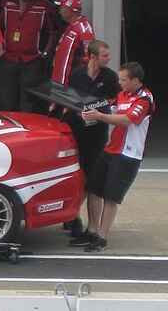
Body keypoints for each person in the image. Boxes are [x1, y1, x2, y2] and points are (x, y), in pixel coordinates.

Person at [70, 62, 154, 252]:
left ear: (136, 81)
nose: (120, 83)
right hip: (111, 149)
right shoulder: (121, 95)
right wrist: (87, 113)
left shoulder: (144, 98)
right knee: (94, 189)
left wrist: (98, 116)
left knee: (110, 197)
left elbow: (126, 120)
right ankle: (91, 231)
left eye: (123, 80)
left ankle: (102, 236)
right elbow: (109, 109)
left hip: (128, 154)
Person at [63, 40, 121, 237]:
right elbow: (69, 98)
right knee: (74, 175)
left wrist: (93, 111)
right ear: (93, 57)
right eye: (105, 56)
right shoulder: (77, 74)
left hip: (96, 133)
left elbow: (113, 101)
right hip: (76, 130)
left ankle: (84, 221)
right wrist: (78, 112)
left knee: (92, 177)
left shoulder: (110, 77)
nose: (109, 58)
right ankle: (72, 216)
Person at [0, 0, 55, 112]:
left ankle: (28, 131)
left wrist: (44, 53)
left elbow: (53, 31)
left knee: (29, 102)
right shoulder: (6, 3)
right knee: (6, 100)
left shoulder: (44, 5)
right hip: (8, 58)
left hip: (32, 60)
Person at [51, 0, 95, 85]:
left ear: (68, 11)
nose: (60, 12)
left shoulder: (84, 30)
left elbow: (89, 59)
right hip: (60, 83)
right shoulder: (71, 27)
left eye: (62, 8)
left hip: (71, 86)